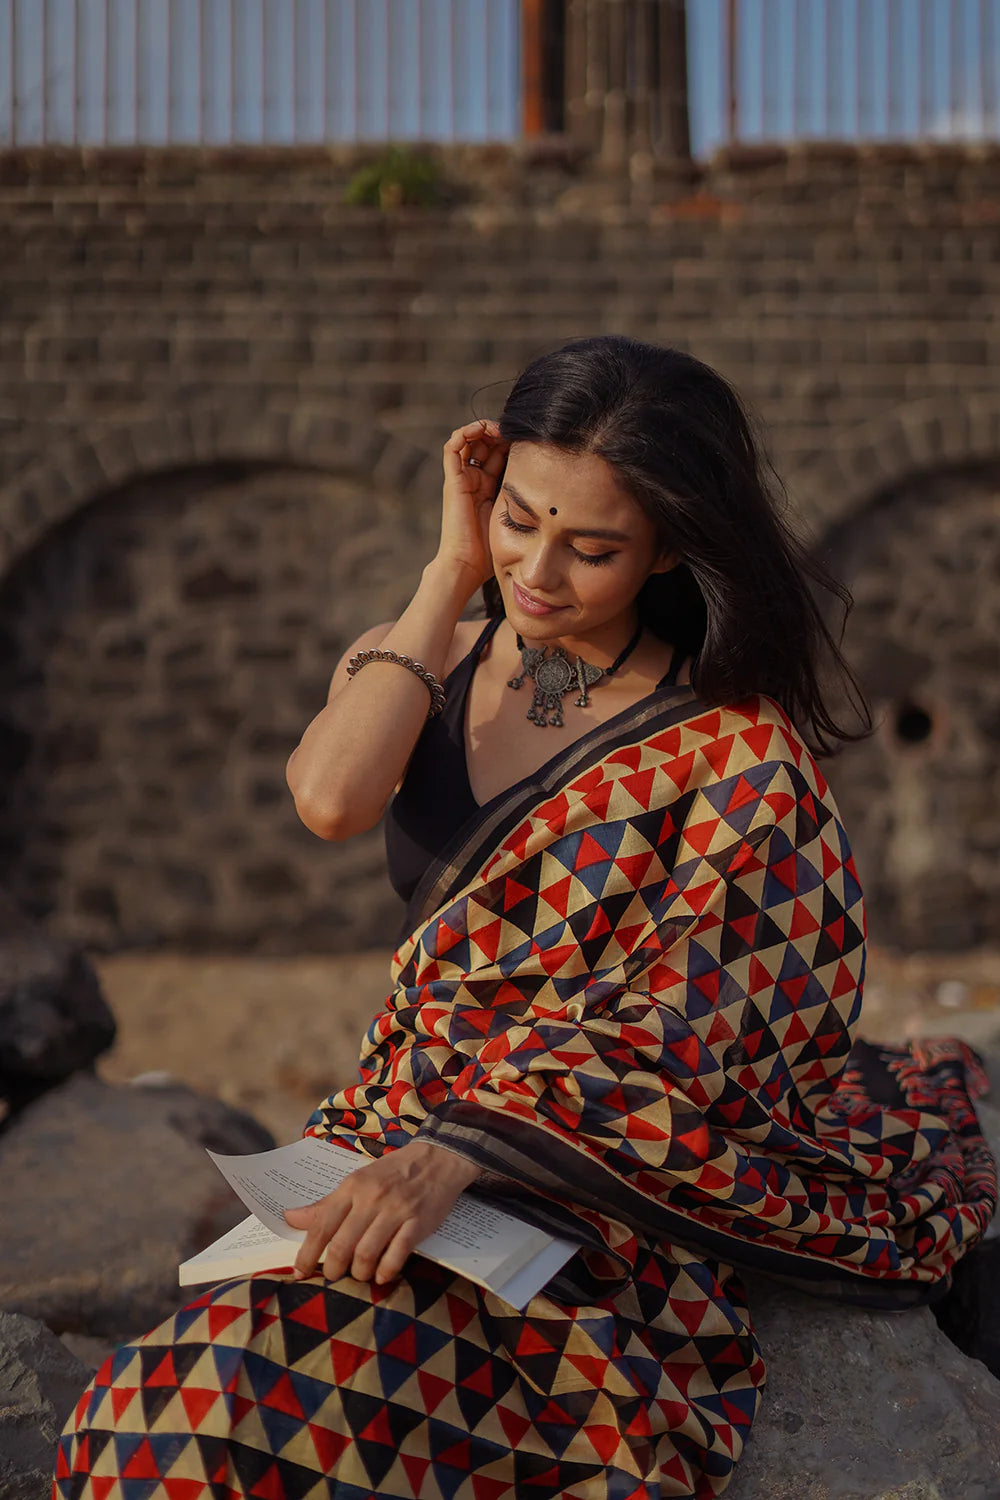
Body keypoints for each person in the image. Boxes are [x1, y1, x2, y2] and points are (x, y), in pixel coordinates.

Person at [55, 336, 995, 1499]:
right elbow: (331, 799)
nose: (539, 571)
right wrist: (450, 566)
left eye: (590, 547)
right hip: (387, 1139)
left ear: (664, 548)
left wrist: (463, 1151)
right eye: (518, 519)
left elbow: (709, 1018)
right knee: (128, 1419)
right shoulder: (428, 657)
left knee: (204, 1423)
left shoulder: (737, 754)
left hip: (588, 1194)